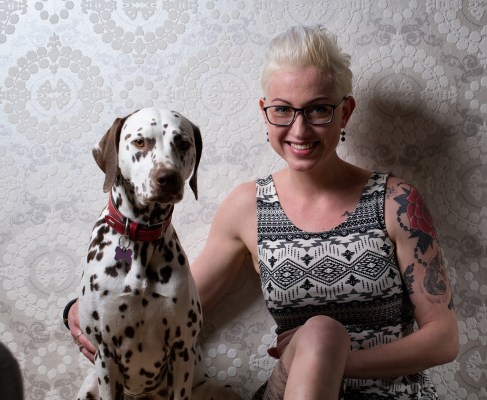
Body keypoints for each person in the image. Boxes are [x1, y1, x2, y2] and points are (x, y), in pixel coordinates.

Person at [66, 25, 458, 399]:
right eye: (283, 110)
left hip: (391, 393)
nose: (299, 130)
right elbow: (176, 302)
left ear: (346, 112)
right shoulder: (248, 206)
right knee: (320, 333)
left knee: (320, 337)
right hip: (290, 391)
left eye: (319, 109)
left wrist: (328, 363)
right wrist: (77, 309)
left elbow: (443, 339)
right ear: (265, 112)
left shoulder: (396, 201)